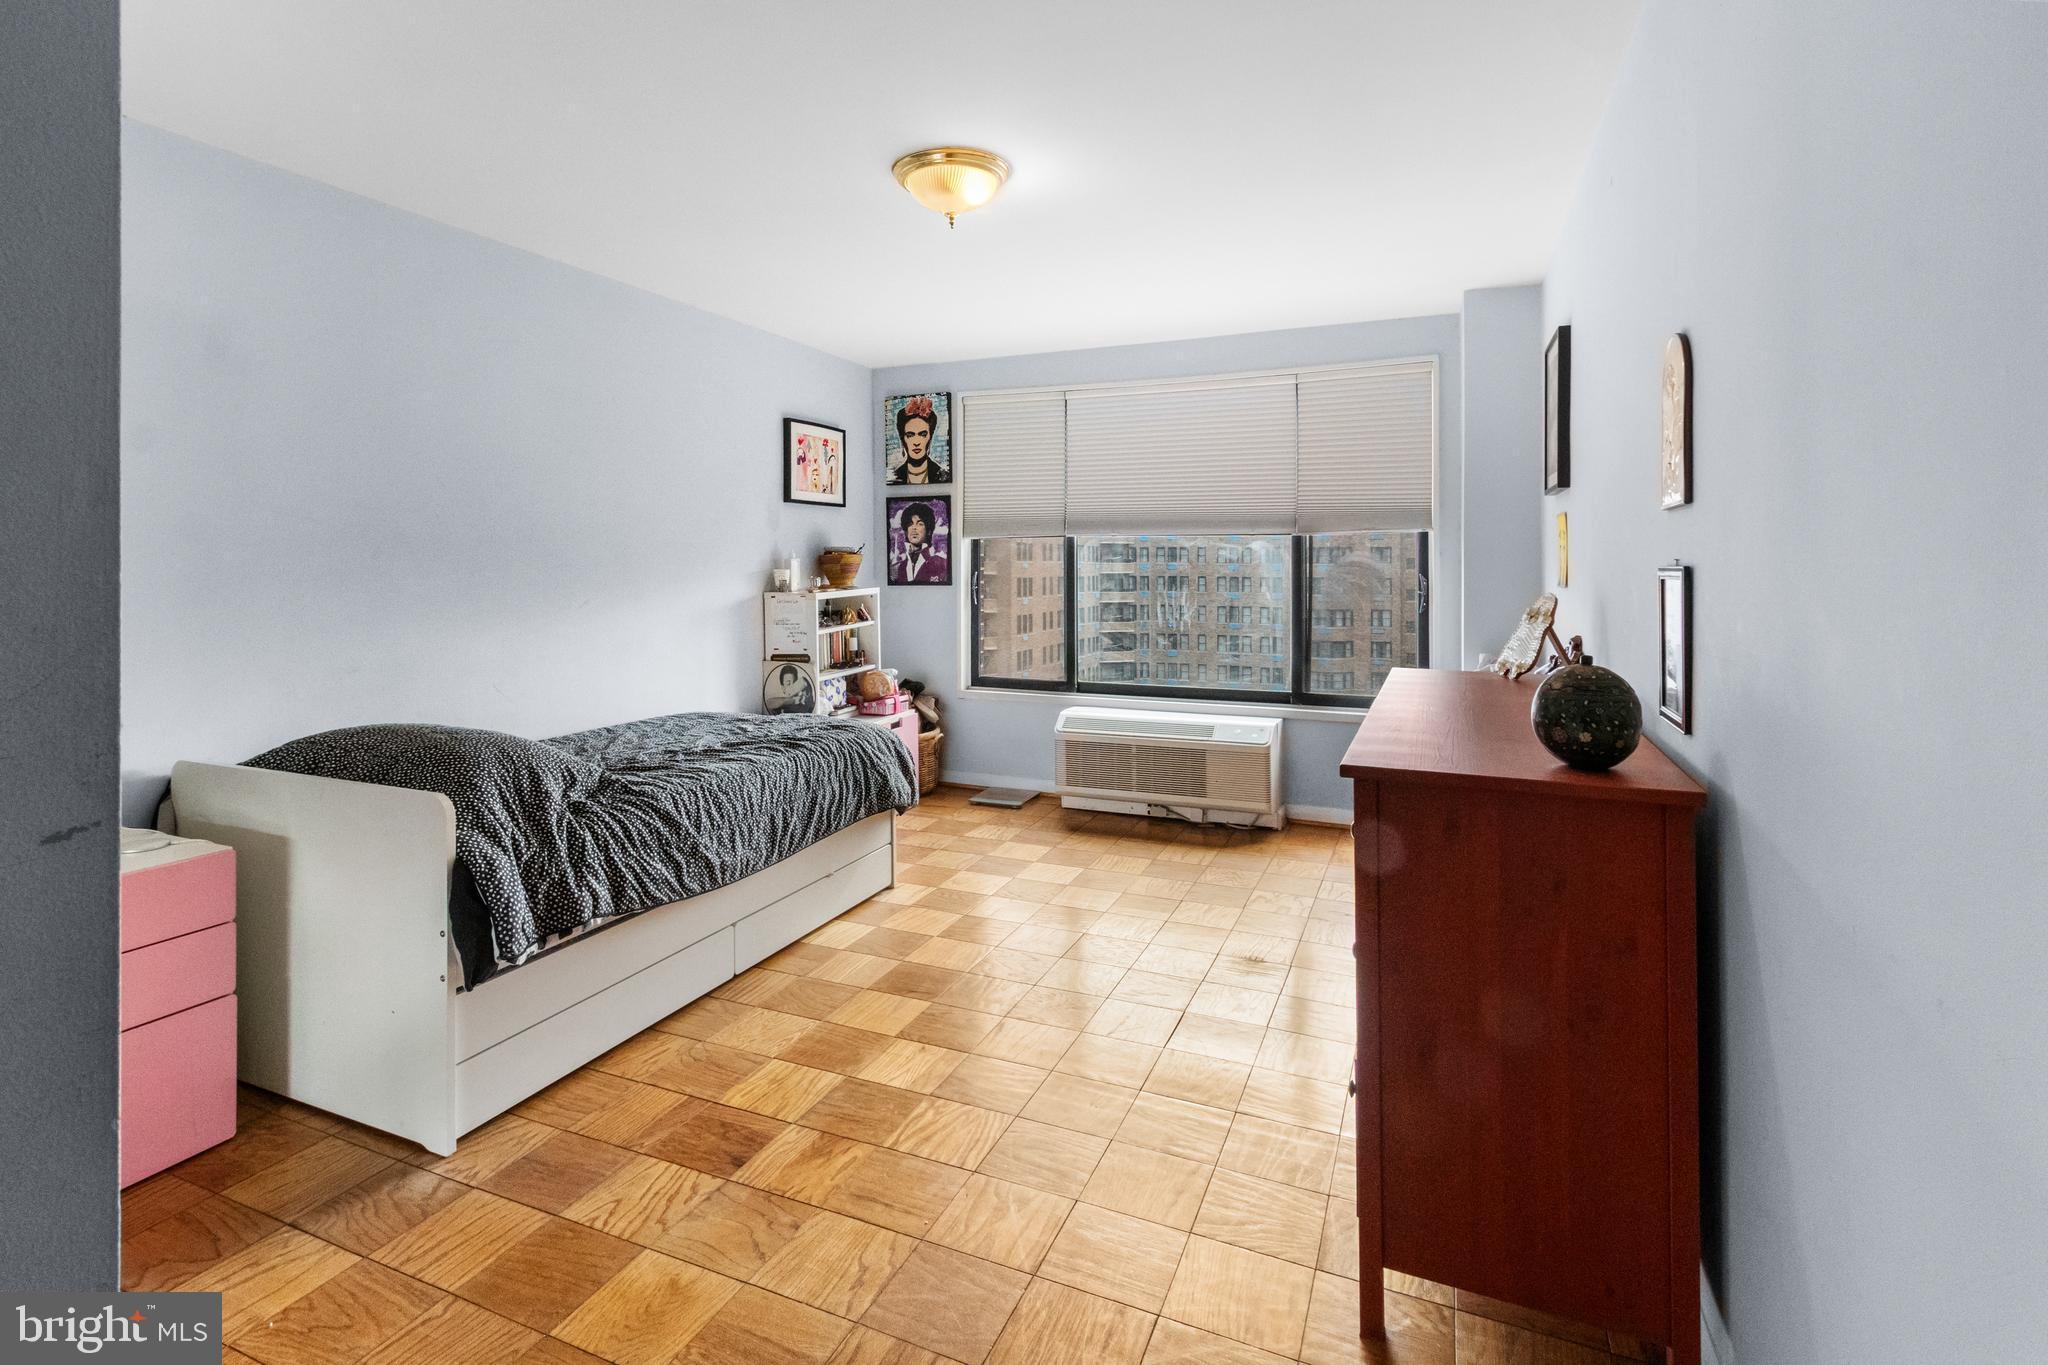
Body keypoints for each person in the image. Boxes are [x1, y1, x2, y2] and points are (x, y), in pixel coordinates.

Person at [891, 501, 948, 584]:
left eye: (920, 524)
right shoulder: (901, 567)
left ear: (928, 530)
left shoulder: (941, 564)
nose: (914, 528)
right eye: (910, 524)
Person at [892, 395, 944, 483]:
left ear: (930, 437)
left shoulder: (942, 475)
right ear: (902, 438)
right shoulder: (894, 477)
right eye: (910, 435)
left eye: (923, 434)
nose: (916, 442)